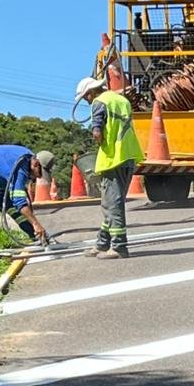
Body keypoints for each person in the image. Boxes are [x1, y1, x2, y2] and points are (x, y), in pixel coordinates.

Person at [75, 75, 144, 259]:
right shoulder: (121, 100)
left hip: (113, 157)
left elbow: (97, 130)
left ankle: (119, 246)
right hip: (129, 155)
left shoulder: (99, 102)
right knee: (110, 202)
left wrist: (97, 140)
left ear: (90, 92)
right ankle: (103, 243)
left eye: (85, 97)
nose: (87, 101)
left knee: (113, 203)